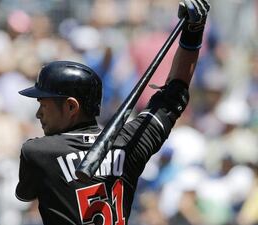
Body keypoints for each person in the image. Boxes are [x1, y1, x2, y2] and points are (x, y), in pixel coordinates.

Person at [15, 1, 210, 225]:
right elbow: (174, 94)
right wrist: (193, 34)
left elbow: (26, 195)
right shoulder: (129, 143)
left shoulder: (37, 152)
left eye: (43, 104)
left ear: (71, 107)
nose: (39, 114)